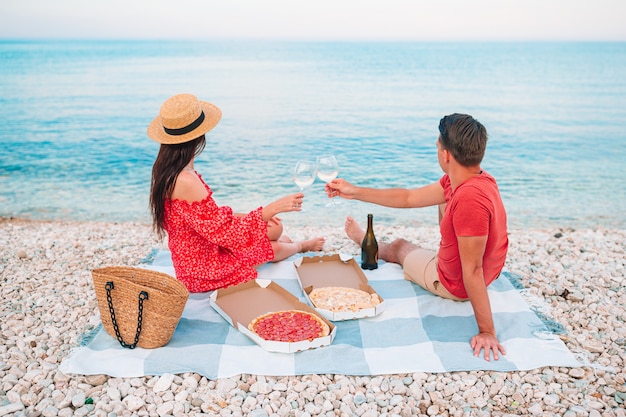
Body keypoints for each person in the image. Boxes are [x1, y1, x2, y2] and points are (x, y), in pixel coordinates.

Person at [326, 113, 508, 361]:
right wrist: (354, 191)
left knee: (401, 246)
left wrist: (487, 331)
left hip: (455, 284)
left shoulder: (469, 200)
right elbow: (408, 198)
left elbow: (473, 270)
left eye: (437, 146)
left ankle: (370, 245)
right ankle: (444, 250)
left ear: (446, 155)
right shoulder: (475, 180)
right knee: (443, 201)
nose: (437, 150)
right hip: (487, 268)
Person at [148, 93, 325, 293]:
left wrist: (248, 216)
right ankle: (302, 246)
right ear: (199, 136)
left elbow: (205, 219)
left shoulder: (166, 169)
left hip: (195, 256)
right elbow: (228, 236)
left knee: (275, 230)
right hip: (204, 270)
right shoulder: (186, 179)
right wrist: (271, 208)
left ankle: (284, 242)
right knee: (273, 246)